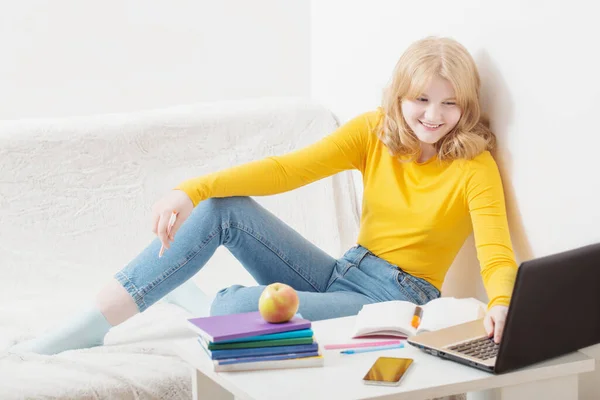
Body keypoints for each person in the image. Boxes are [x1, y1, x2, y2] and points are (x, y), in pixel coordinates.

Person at [12, 36, 517, 355]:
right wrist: (191, 189)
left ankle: (201, 300)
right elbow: (286, 170)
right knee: (221, 209)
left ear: (466, 106)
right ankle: (95, 321)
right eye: (421, 100)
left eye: (450, 104)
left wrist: (502, 304)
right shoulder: (374, 132)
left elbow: (496, 252)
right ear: (399, 96)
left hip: (393, 301)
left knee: (236, 304)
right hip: (345, 270)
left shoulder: (474, 165)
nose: (433, 116)